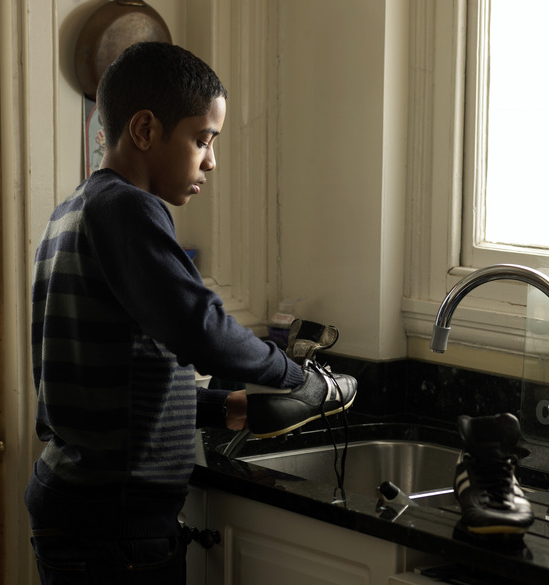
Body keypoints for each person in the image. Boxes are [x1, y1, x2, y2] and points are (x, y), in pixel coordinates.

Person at [25, 42, 356, 585]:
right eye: (202, 139)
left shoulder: (71, 212)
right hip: (117, 520)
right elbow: (201, 330)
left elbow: (106, 380)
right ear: (145, 130)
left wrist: (222, 407)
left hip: (77, 504)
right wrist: (298, 377)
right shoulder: (129, 207)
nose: (211, 160)